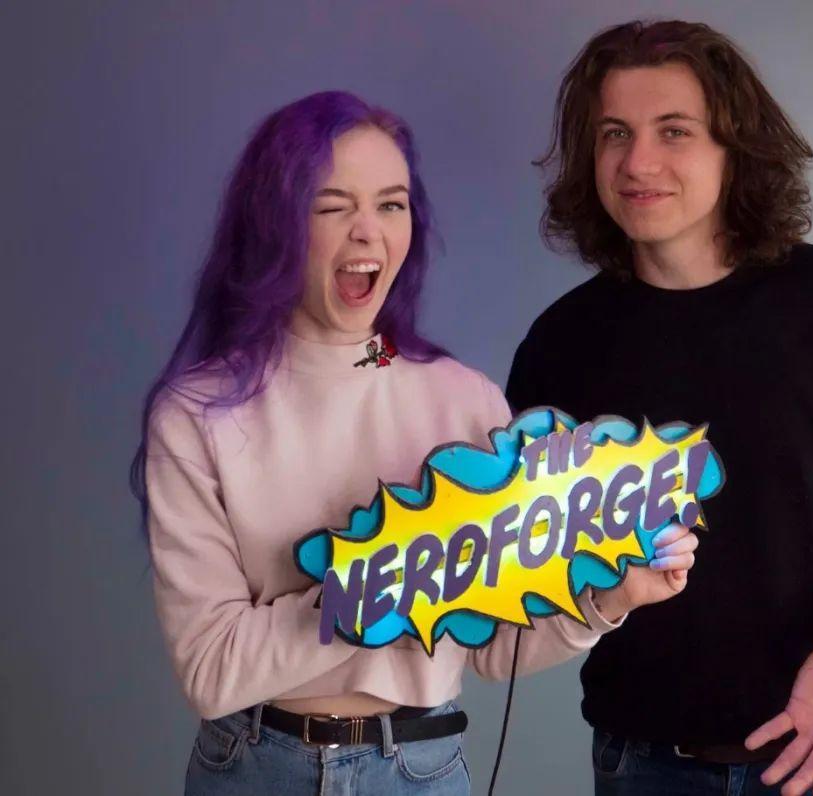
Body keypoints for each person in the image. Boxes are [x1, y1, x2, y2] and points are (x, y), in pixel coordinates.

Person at [131, 90, 699, 795]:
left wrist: (607, 600)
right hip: (253, 766)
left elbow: (492, 645)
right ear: (274, 224)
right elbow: (212, 668)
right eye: (332, 206)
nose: (367, 232)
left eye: (391, 205)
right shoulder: (194, 414)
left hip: (418, 767)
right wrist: (391, 586)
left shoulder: (462, 399)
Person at [506, 20, 813, 796]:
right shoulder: (562, 342)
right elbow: (528, 565)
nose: (637, 162)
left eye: (673, 130)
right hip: (642, 762)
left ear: (734, 150)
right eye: (614, 134)